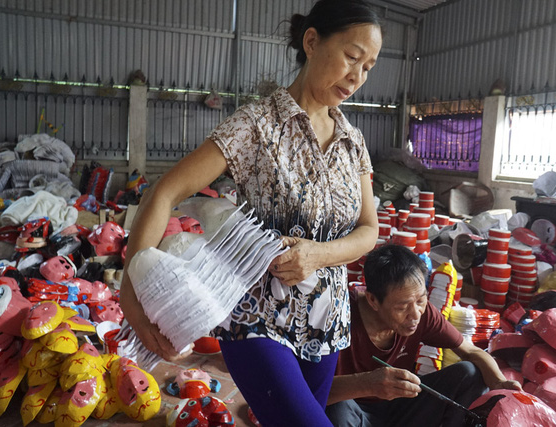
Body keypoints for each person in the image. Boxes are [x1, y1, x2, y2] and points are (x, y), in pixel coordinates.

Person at [119, 0, 382, 425]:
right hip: (256, 318)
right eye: (352, 57)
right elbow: (163, 193)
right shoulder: (257, 125)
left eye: (368, 66)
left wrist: (318, 254)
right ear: (312, 41)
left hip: (327, 324)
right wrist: (130, 296)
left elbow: (369, 230)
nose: (358, 76)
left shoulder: (354, 142)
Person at [325, 245, 523, 427]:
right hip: (354, 414)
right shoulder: (338, 318)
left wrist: (500, 383)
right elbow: (307, 390)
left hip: (400, 409)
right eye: (402, 307)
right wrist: (366, 384)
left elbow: (471, 351)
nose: (415, 315)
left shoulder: (422, 313)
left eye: (421, 300)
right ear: (373, 300)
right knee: (336, 408)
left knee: (469, 373)